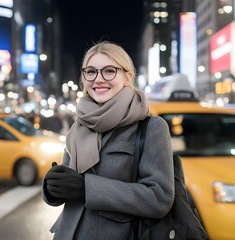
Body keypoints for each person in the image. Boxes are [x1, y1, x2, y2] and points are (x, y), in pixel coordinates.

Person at [42, 41, 174, 239]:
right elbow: (69, 186)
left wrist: (87, 187)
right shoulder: (80, 124)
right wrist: (52, 188)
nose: (99, 79)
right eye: (91, 72)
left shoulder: (152, 127)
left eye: (109, 71)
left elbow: (159, 198)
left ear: (127, 76)